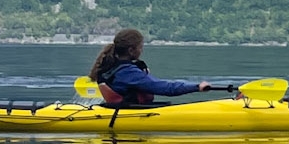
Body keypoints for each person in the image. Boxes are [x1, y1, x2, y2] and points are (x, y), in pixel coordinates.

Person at [88, 29, 225, 107]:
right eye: (141, 47)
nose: (142, 51)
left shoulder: (111, 65)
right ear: (131, 50)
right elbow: (164, 88)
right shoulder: (127, 73)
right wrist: (197, 87)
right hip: (131, 114)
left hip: (128, 110)